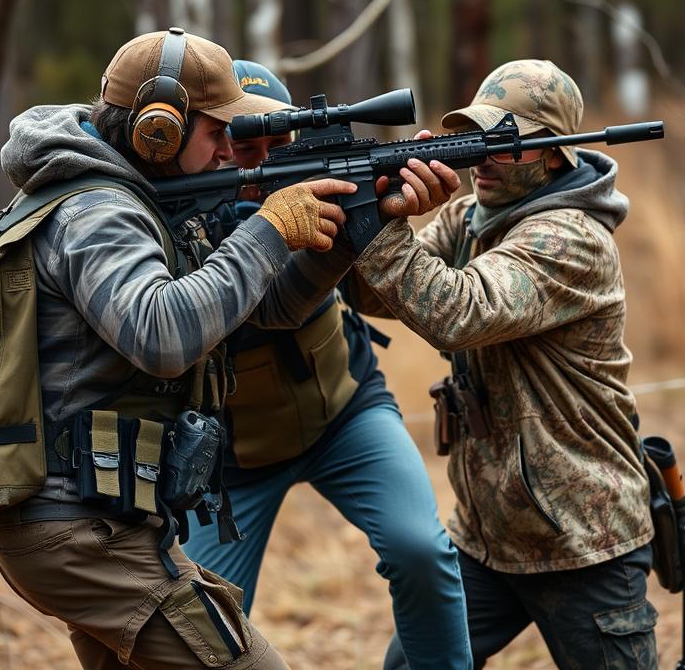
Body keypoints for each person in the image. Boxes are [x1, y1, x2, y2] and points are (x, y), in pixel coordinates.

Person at [0, 28, 364, 670]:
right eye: (217, 134)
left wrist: (350, 236)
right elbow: (163, 335)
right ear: (157, 131)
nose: (228, 153)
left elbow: (260, 310)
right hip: (78, 526)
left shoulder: (137, 196)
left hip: (104, 516)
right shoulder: (99, 212)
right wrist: (269, 232)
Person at [342, 60, 659, 669]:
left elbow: (459, 311)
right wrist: (374, 206)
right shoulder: (469, 220)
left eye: (502, 146)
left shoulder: (571, 239)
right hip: (487, 535)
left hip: (580, 539)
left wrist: (378, 233)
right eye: (475, 141)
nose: (481, 161)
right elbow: (374, 294)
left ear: (553, 154)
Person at [182, 60, 474, 670]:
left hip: (346, 413)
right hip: (231, 462)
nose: (261, 164)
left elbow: (381, 291)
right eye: (244, 149)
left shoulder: (320, 186)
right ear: (211, 149)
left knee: (422, 550)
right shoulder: (179, 219)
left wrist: (388, 209)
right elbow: (273, 308)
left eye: (276, 146)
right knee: (200, 623)